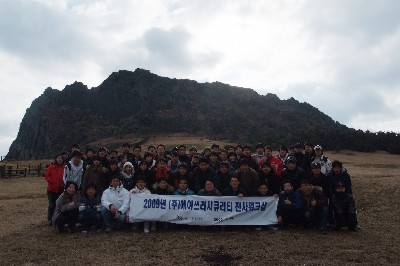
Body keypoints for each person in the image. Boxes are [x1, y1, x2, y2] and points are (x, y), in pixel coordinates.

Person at [45, 154, 65, 225]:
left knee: (58, 204)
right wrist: (51, 181)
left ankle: (56, 218)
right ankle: (50, 219)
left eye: (61, 158)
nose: (59, 159)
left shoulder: (64, 167)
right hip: (51, 189)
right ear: (56, 159)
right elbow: (47, 175)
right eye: (58, 158)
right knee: (51, 205)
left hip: (60, 189)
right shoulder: (51, 167)